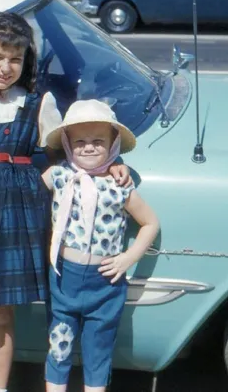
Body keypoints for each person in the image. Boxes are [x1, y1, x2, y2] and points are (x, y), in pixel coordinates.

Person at [0, 12, 131, 392]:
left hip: (17, 213)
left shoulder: (37, 104)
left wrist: (111, 166)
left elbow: (67, 151)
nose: (6, 67)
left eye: (15, 59)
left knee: (1, 312)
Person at [41, 99, 160, 392]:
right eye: (79, 141)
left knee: (98, 352)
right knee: (59, 346)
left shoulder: (120, 184)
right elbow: (24, 192)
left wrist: (128, 258)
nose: (89, 147)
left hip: (105, 282)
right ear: (67, 145)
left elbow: (150, 223)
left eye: (98, 141)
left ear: (113, 144)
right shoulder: (58, 175)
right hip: (64, 277)